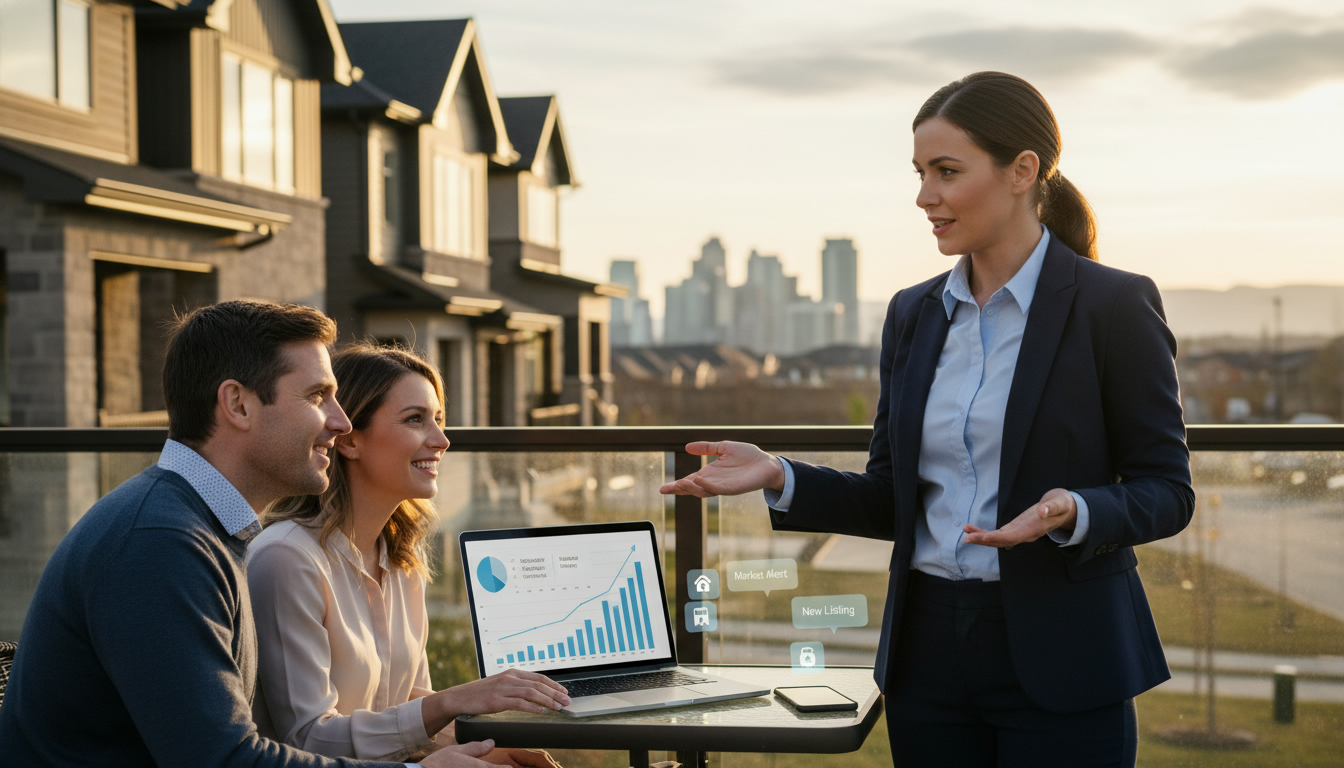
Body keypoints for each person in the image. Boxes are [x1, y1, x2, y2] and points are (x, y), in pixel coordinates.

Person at [660, 72, 1194, 768]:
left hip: (1066, 656)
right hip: (928, 658)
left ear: (1022, 171)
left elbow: (1168, 490)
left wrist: (1074, 509)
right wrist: (778, 474)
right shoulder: (914, 313)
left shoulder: (1112, 305)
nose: (924, 197)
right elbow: (891, 496)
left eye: (947, 171)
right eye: (919, 173)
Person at [0, 300, 498, 768]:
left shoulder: (199, 528)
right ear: (237, 405)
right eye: (316, 397)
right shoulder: (160, 542)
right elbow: (222, 760)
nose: (339, 422)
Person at [248, 342, 569, 764]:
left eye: (437, 419)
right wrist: (452, 701)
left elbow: (402, 707)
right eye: (415, 420)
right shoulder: (285, 560)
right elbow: (309, 741)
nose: (441, 440)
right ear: (349, 440)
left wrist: (487, 749)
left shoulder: (402, 561)